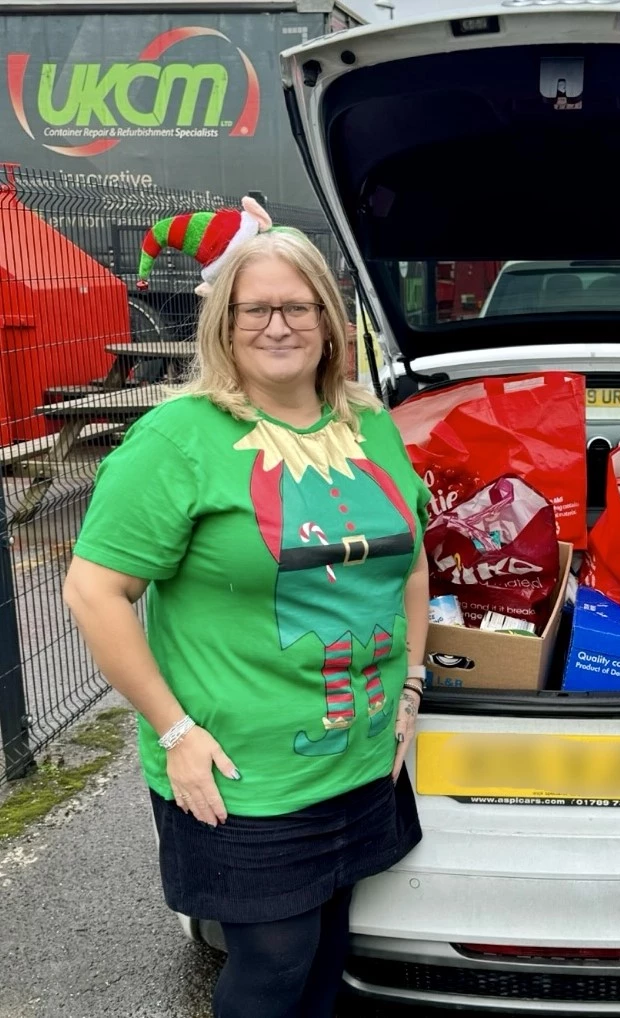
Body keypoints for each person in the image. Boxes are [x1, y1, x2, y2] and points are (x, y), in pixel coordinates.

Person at [63, 228, 432, 1018]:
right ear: (222, 324)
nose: (276, 326)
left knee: (329, 951)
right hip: (241, 774)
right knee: (272, 964)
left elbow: (413, 562)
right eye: (253, 308)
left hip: (359, 754)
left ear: (329, 321)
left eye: (296, 306)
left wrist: (412, 689)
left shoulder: (369, 426)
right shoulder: (179, 437)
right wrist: (173, 733)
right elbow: (93, 592)